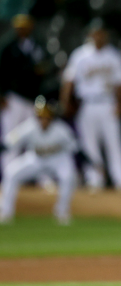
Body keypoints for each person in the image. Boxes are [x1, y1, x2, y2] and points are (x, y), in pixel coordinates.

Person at [60, 23, 121, 193]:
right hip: (87, 104)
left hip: (108, 103)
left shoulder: (114, 55)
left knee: (114, 143)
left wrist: (120, 104)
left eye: (101, 34)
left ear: (105, 35)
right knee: (89, 144)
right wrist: (65, 102)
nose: (98, 37)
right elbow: (69, 80)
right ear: (90, 35)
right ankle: (94, 180)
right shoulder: (80, 55)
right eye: (95, 33)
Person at [0, 96, 79, 225]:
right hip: (35, 159)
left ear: (52, 117)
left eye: (46, 116)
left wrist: (91, 164)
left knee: (68, 176)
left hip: (58, 160)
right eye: (41, 116)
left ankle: (62, 212)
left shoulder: (61, 129)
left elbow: (77, 148)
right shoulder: (30, 126)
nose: (43, 120)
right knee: (11, 172)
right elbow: (9, 143)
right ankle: (6, 212)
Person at [0, 14, 47, 172]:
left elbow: (43, 68)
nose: (22, 30)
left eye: (25, 27)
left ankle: (37, 177)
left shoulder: (37, 46)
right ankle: (7, 173)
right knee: (11, 136)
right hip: (14, 98)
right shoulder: (8, 47)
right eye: (19, 27)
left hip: (32, 98)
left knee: (35, 138)